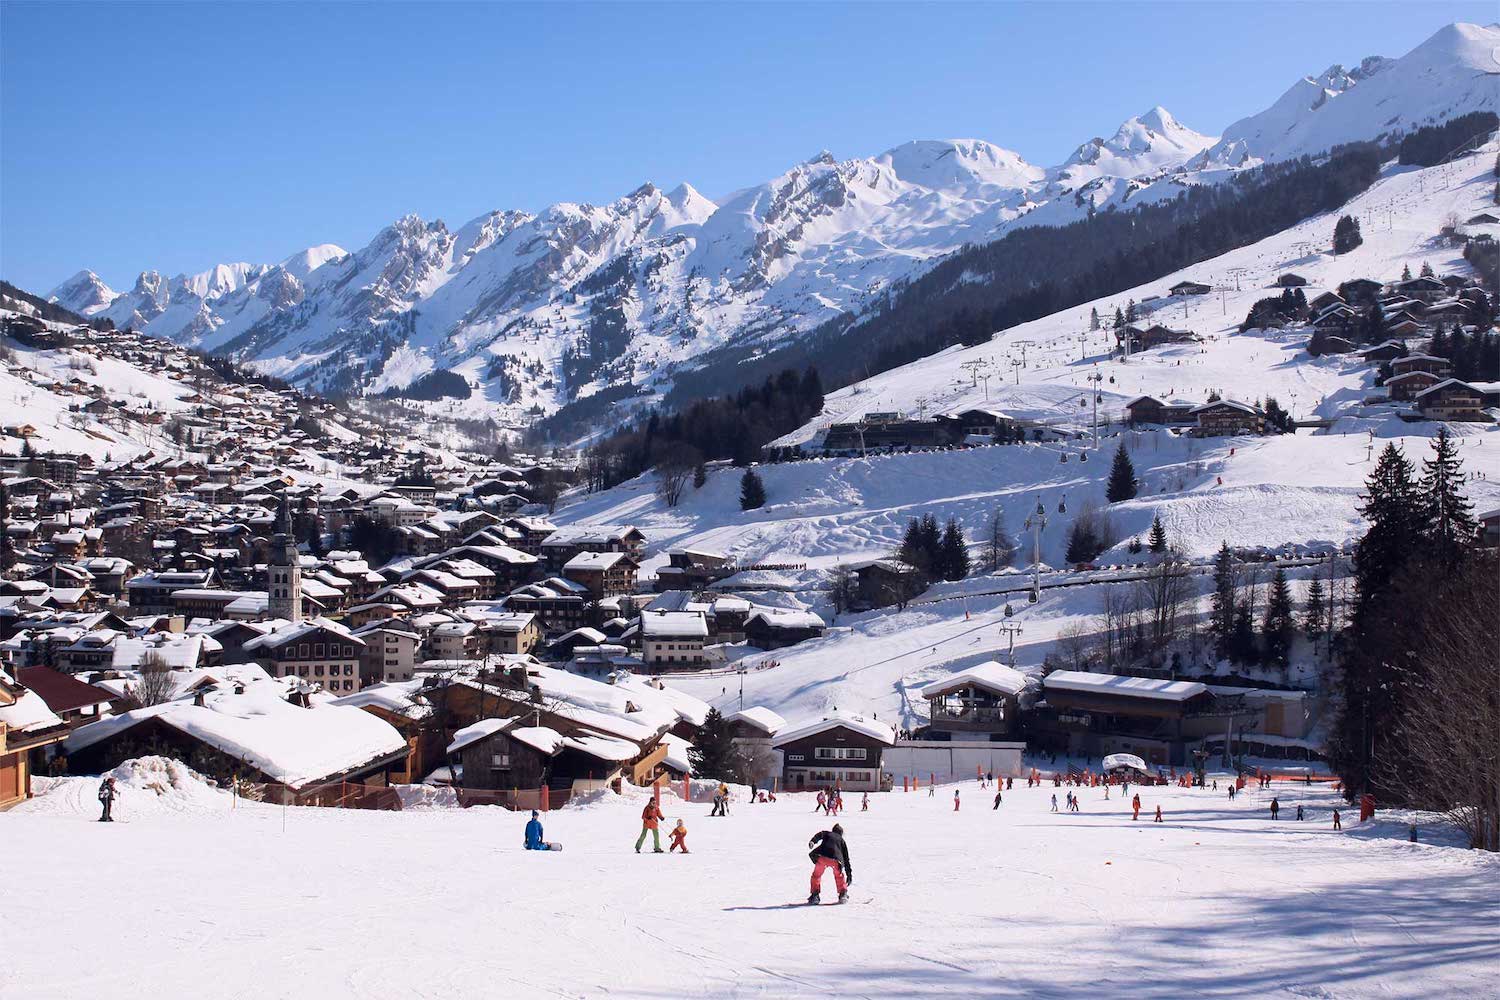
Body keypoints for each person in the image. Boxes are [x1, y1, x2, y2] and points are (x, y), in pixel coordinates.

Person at [807, 823, 852, 904]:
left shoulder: (828, 833)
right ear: (841, 833)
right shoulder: (842, 840)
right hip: (836, 860)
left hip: (822, 858)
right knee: (839, 876)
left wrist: (813, 841)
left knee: (816, 876)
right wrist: (849, 875)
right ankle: (843, 894)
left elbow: (819, 835)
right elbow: (846, 859)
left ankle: (815, 896)